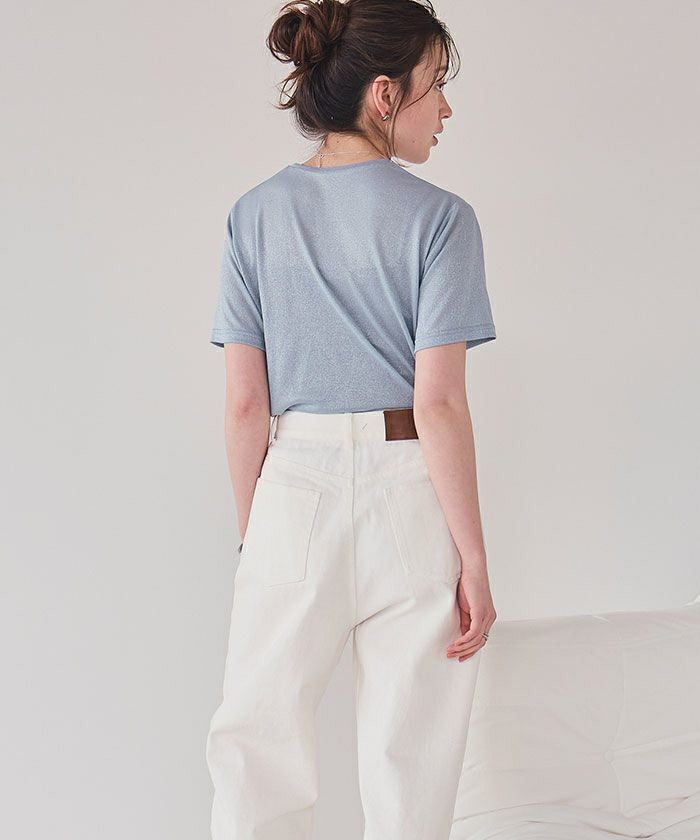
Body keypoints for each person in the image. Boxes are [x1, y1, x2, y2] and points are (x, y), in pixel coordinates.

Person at [205, 1, 498, 838]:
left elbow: (245, 403)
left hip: (292, 484)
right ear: (384, 94)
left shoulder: (254, 214)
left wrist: (257, 533)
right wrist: (474, 559)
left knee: (258, 739)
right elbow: (439, 402)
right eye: (435, 86)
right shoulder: (441, 219)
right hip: (409, 486)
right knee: (412, 752)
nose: (446, 108)